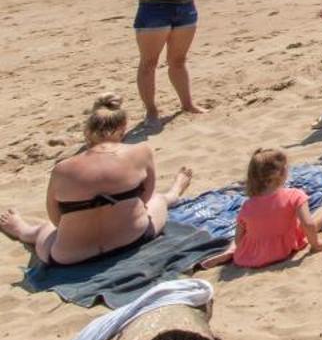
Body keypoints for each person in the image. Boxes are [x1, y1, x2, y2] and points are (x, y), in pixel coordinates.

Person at [0, 95, 193, 268]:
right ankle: (174, 193)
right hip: (132, 239)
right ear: (123, 128)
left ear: (87, 132)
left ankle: (22, 230)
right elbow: (145, 199)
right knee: (158, 200)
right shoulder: (141, 151)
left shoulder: (62, 169)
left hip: (69, 257)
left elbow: (56, 219)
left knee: (45, 229)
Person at [196, 149, 322, 271]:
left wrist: (238, 246)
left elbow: (239, 239)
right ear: (281, 172)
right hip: (284, 247)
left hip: (250, 254)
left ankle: (231, 251)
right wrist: (315, 245)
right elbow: (308, 224)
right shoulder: (294, 195)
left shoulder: (247, 205)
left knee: (245, 232)